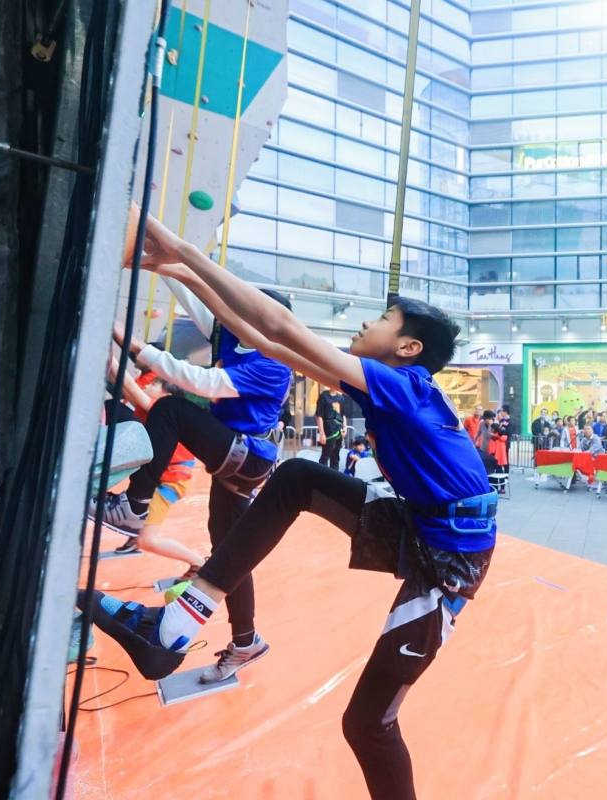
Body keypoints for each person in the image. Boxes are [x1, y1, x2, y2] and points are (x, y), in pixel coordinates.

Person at [85, 212, 496, 796]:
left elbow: (279, 325)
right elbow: (266, 340)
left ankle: (179, 619)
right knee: (298, 477)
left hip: (451, 563)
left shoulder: (403, 387)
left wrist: (177, 248)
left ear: (408, 347)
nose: (366, 321)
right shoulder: (386, 386)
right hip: (422, 524)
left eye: (383, 318)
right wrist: (178, 270)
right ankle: (176, 624)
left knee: (368, 724)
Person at [95, 290, 292, 682]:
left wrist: (132, 344)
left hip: (248, 458)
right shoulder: (234, 335)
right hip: (231, 460)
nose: (235, 313)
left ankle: (134, 506)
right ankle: (246, 641)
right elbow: (202, 304)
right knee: (229, 554)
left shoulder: (274, 363)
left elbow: (202, 382)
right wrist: (173, 267)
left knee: (169, 409)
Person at [104, 362, 205, 575]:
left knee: (148, 540)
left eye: (155, 384)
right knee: (139, 517)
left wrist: (112, 360)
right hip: (164, 476)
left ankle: (199, 563)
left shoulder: (161, 407)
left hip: (171, 481)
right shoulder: (151, 409)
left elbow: (130, 388)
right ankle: (134, 533)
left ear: (167, 395)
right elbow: (125, 388)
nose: (148, 386)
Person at [315, 385, 349, 471]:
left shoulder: (341, 398)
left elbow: (343, 415)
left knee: (336, 455)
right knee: (325, 455)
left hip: (338, 429)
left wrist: (345, 427)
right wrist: (322, 433)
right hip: (328, 429)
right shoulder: (323, 396)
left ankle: (334, 475)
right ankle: (322, 475)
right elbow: (319, 416)